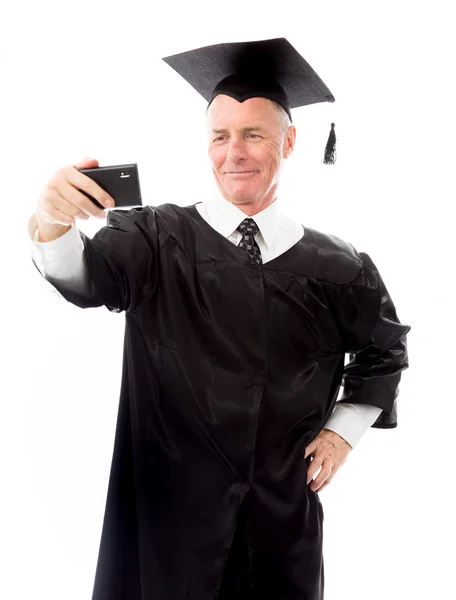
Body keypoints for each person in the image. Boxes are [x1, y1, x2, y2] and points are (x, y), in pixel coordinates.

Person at [28, 38, 410, 600]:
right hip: (169, 522)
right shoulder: (156, 238)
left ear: (290, 140)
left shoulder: (340, 266)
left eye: (253, 133)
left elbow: (385, 351)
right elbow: (86, 279)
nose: (235, 152)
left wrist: (342, 432)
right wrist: (51, 221)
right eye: (220, 136)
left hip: (281, 524)